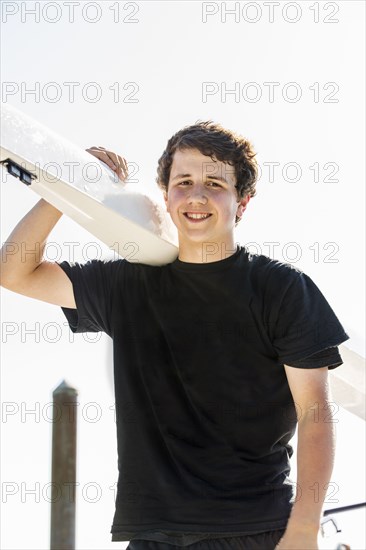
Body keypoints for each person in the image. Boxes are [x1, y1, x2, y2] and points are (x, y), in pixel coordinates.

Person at [0, 121, 349, 550]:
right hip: (152, 535)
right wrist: (67, 186)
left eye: (215, 183)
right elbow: (14, 272)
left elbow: (315, 410)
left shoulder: (282, 289)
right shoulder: (125, 286)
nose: (197, 195)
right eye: (184, 182)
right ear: (166, 195)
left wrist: (303, 528)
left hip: (255, 531)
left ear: (243, 202)